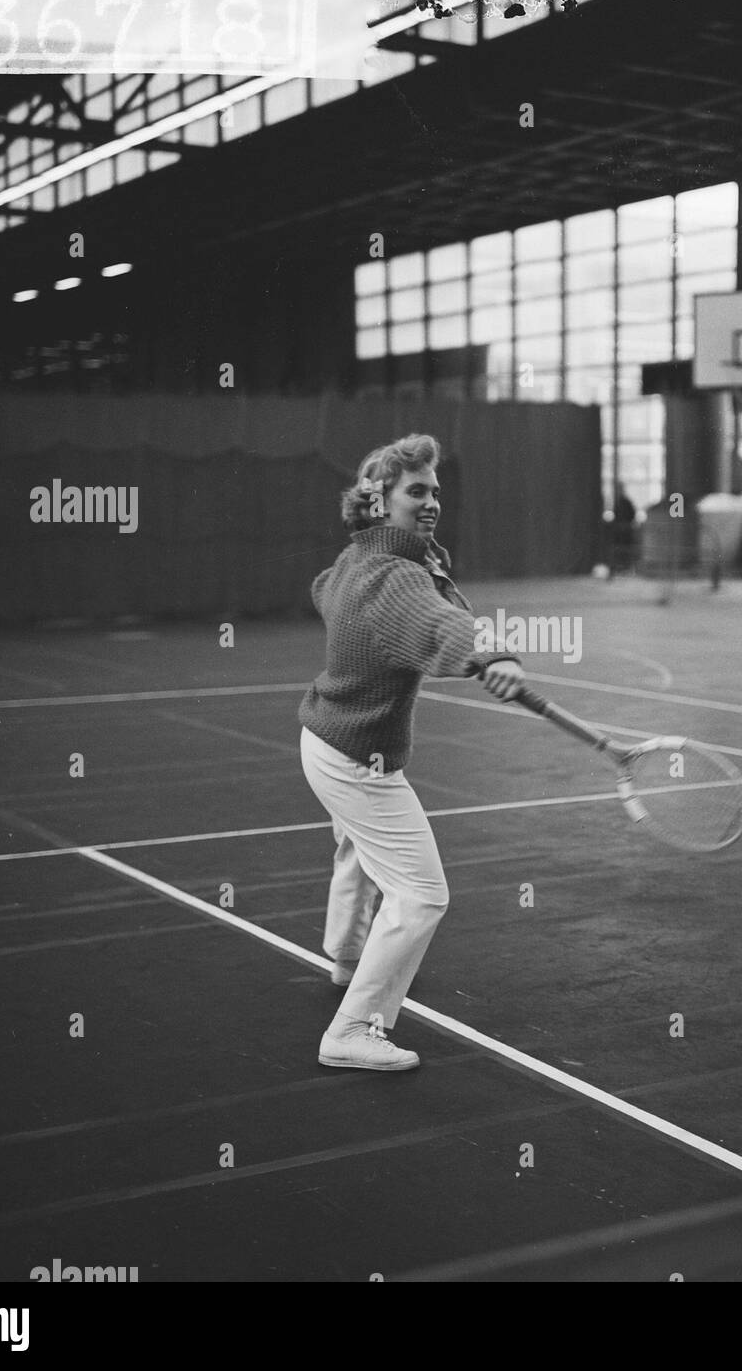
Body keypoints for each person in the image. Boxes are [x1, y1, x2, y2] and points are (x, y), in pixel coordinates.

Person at [298, 433, 524, 1071]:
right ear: (378, 503)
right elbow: (432, 620)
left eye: (435, 493)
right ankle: (353, 1031)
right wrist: (489, 653)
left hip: (325, 736)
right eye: (415, 492)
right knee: (422, 893)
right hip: (357, 759)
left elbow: (327, 590)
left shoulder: (354, 564)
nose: (430, 504)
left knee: (356, 850)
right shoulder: (392, 575)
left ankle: (347, 958)